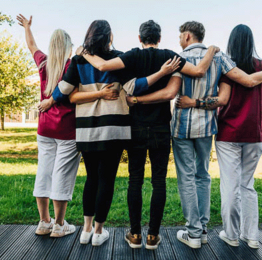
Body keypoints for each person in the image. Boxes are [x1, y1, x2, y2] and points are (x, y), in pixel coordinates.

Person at [130, 21, 262, 249]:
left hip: (182, 127)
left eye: (180, 36)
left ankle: (193, 232)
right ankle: (204, 230)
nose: (179, 39)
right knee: (203, 175)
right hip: (207, 127)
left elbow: (171, 92)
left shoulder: (176, 59)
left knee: (186, 177)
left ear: (187, 36)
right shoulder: (219, 58)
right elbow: (246, 81)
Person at [79, 20, 218, 250]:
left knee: (135, 180)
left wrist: (83, 52)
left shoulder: (131, 56)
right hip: (161, 128)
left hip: (135, 127)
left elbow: (103, 66)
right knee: (158, 182)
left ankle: (134, 235)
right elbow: (198, 71)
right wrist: (211, 49)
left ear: (139, 38)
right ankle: (153, 236)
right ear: (159, 38)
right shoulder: (170, 56)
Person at [50, 20, 181, 246]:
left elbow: (64, 92)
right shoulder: (119, 59)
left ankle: (86, 229)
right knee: (107, 179)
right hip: (115, 129)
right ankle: (99, 231)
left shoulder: (78, 60)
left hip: (87, 130)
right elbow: (133, 86)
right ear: (109, 36)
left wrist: (49, 99)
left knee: (92, 178)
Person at [178, 24, 262, 249]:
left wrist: (195, 102)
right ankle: (251, 237)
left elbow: (221, 99)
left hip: (229, 132)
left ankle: (230, 234)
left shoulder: (227, 65)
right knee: (247, 185)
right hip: (255, 133)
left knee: (230, 185)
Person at [17, 14, 79, 238]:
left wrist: (27, 27)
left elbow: (31, 45)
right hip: (67, 130)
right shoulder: (72, 66)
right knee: (62, 175)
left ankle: (44, 222)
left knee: (44, 172)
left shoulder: (43, 62)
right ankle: (59, 225)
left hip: (44, 129)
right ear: (68, 47)